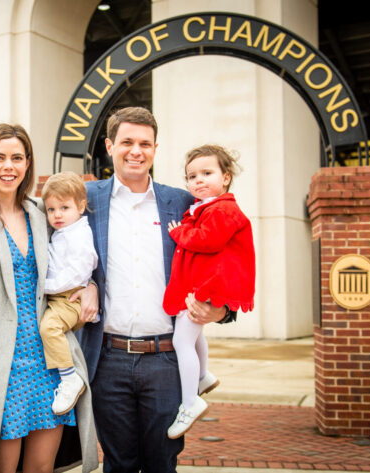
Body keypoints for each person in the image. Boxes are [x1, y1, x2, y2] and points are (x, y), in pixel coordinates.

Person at [78, 107, 237, 472]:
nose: (136, 151)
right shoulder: (87, 200)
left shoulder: (182, 202)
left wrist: (222, 309)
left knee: (162, 463)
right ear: (109, 146)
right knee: (118, 464)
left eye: (145, 144)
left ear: (155, 148)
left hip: (166, 359)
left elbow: (225, 255)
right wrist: (86, 284)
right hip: (107, 358)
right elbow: (57, 254)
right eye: (127, 142)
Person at [0, 124, 99, 473]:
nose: (8, 166)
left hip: (50, 362)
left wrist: (91, 286)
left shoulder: (43, 212)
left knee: (41, 468)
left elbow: (76, 252)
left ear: (28, 164)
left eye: (17, 157)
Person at [162, 144, 256, 439]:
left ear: (225, 177)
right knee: (194, 335)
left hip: (208, 286)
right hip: (199, 284)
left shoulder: (223, 209)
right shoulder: (207, 207)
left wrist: (180, 232)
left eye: (207, 173)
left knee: (182, 341)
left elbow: (208, 240)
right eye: (192, 176)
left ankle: (190, 402)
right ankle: (202, 376)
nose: (198, 180)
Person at [38, 172, 99, 415]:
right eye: (51, 209)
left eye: (64, 207)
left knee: (49, 327)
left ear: (81, 207)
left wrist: (45, 287)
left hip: (71, 297)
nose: (57, 215)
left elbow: (77, 272)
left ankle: (70, 378)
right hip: (60, 295)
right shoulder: (64, 231)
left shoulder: (79, 235)